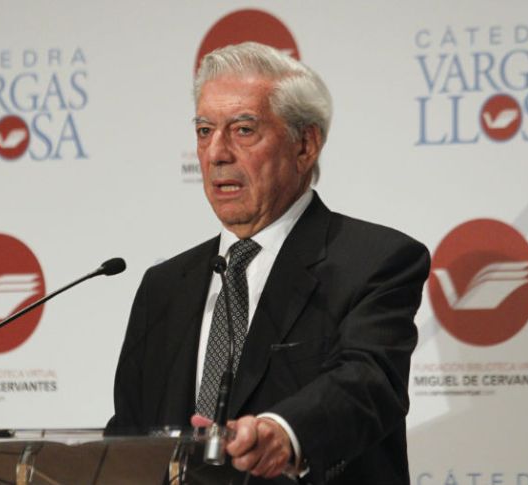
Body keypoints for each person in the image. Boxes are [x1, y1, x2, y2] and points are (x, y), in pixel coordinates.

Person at [105, 42, 430, 485]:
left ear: (305, 144)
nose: (216, 152)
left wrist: (285, 432)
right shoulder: (163, 287)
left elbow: (367, 382)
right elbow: (130, 436)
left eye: (242, 130)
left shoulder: (375, 260)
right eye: (204, 131)